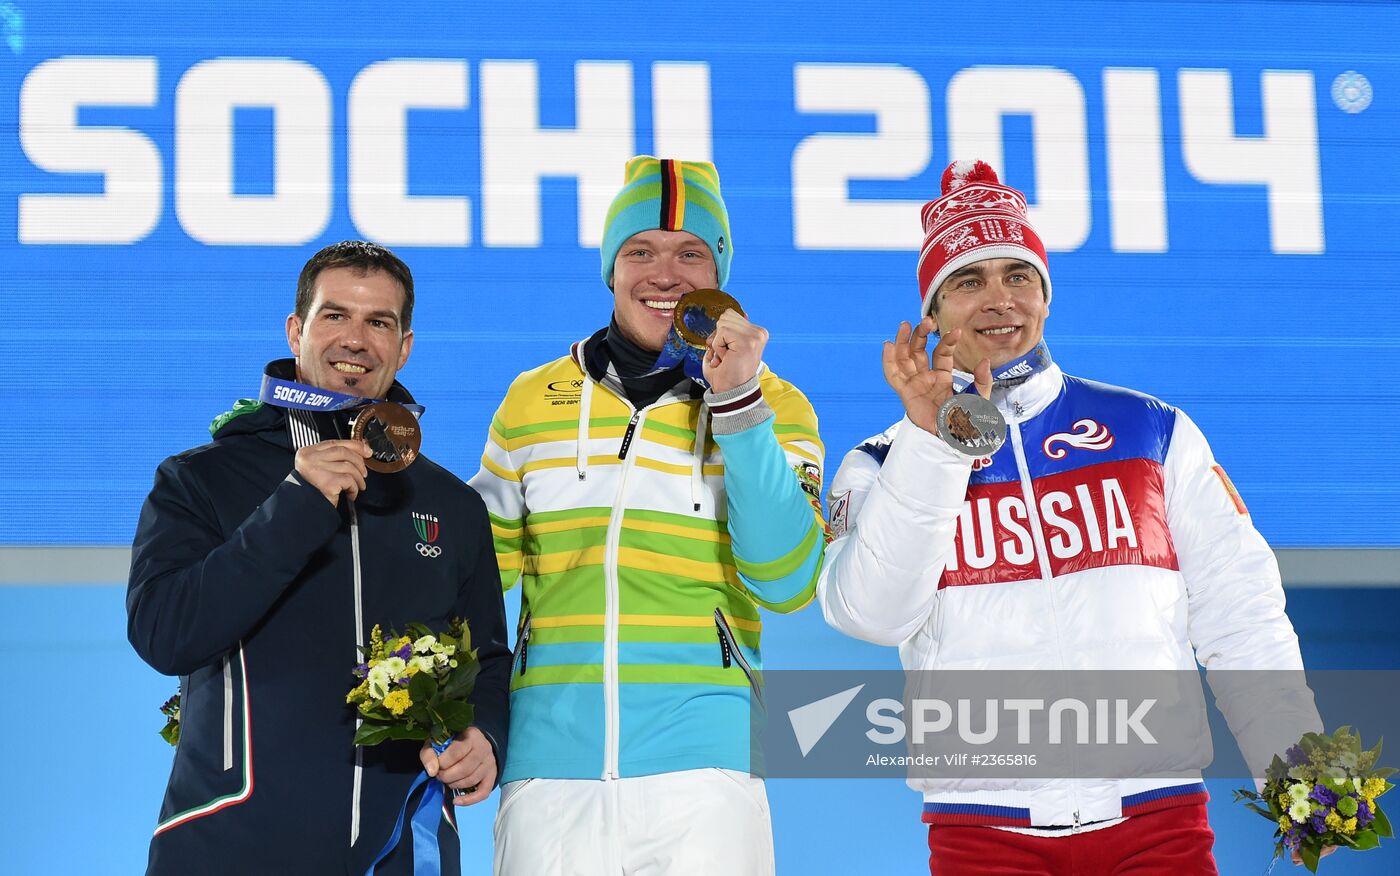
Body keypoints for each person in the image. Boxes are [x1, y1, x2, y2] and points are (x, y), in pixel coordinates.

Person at [816, 161, 1320, 874]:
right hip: (983, 833)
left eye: (1017, 276)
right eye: (968, 280)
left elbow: (1241, 612)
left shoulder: (1151, 431)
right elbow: (872, 615)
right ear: (933, 314)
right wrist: (935, 441)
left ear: (1046, 296)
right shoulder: (882, 460)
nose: (998, 299)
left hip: (1158, 821)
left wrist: (1301, 769)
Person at [470, 156, 827, 875]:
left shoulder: (776, 406)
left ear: (718, 274)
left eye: (691, 252)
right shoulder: (532, 400)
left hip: (703, 774)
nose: (664, 274)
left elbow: (788, 579)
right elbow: (471, 575)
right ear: (611, 268)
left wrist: (737, 407)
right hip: (549, 775)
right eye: (640, 251)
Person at [127, 240, 511, 875]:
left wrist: (485, 737)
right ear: (296, 329)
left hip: (400, 852)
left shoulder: (450, 504)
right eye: (335, 315)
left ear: (404, 345)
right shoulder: (201, 479)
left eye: (378, 322)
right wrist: (298, 504)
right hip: (228, 847)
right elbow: (164, 633)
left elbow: (487, 660)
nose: (355, 340)